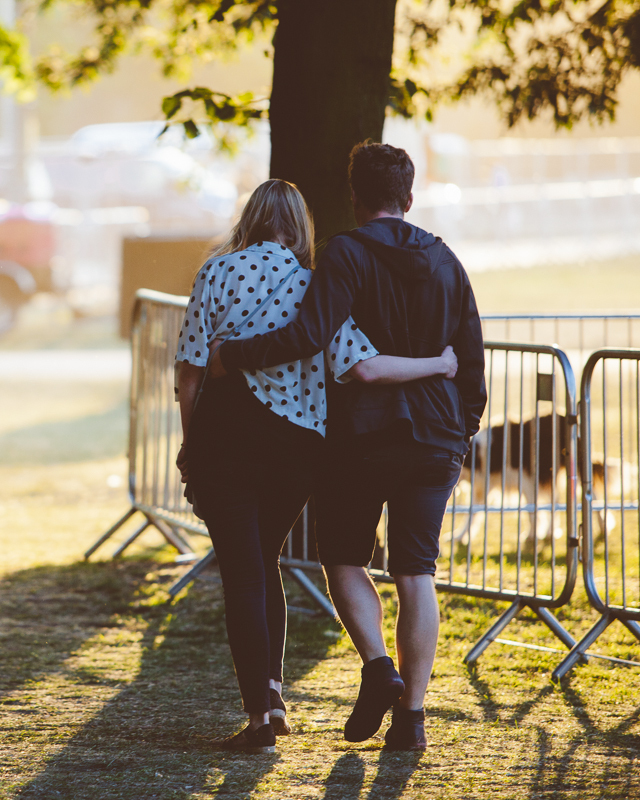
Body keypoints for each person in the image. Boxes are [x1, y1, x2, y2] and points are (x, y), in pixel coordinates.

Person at [210, 144, 486, 751]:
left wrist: (230, 356)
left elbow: (310, 334)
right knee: (416, 572)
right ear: (408, 197)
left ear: (354, 196)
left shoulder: (343, 253)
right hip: (437, 436)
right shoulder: (447, 260)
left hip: (363, 435)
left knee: (342, 557)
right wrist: (460, 432)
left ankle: (378, 667)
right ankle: (412, 719)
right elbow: (471, 359)